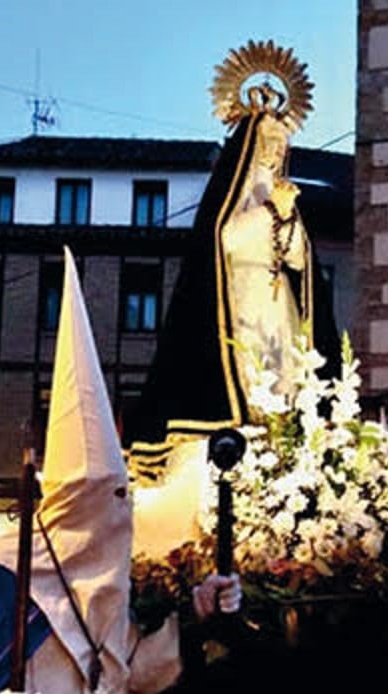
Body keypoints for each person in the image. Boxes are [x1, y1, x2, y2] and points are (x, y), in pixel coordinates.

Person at [0, 251, 241, 694]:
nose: (120, 514)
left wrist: (195, 615)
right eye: (109, 497)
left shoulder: (102, 579)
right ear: (74, 503)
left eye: (122, 495)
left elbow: (130, 675)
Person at [125, 87, 340, 560]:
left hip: (278, 309)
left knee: (283, 380)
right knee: (250, 376)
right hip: (239, 308)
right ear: (248, 147)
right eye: (267, 142)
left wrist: (287, 224)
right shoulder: (237, 202)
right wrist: (270, 216)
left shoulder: (286, 200)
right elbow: (227, 241)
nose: (274, 153)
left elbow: (302, 258)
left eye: (281, 146)